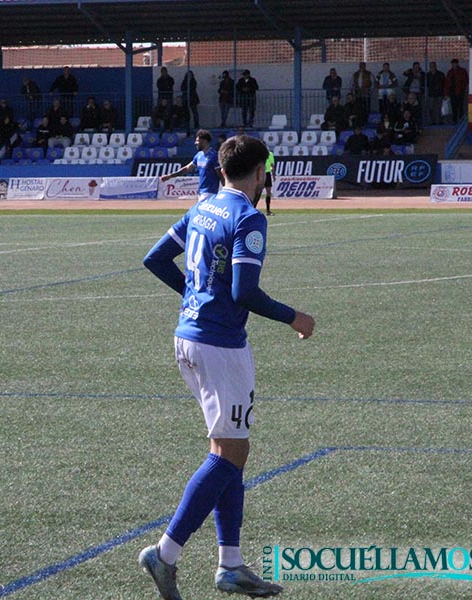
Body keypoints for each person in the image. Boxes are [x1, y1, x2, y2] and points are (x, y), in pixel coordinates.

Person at [140, 134, 314, 600]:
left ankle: (231, 564)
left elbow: (156, 258)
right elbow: (243, 292)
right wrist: (294, 317)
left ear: (220, 171)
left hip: (189, 338)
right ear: (260, 173)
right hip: (219, 347)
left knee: (230, 447)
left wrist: (195, 296)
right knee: (229, 453)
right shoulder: (248, 217)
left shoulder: (204, 207)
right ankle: (165, 553)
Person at [160, 129, 221, 201]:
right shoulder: (198, 156)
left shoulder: (214, 156)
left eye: (197, 141)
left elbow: (220, 174)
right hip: (201, 193)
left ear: (204, 141)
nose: (195, 143)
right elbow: (187, 169)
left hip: (210, 193)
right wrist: (170, 176)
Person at [444, 59, 469, 123]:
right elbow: (447, 83)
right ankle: (454, 120)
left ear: (457, 64)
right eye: (452, 64)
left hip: (460, 91)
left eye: (454, 64)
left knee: (460, 106)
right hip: (452, 92)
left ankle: (461, 119)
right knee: (453, 106)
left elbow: (465, 81)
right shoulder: (450, 72)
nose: (453, 65)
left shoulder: (462, 71)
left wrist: (463, 88)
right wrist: (446, 93)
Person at [259, 149, 274, 215]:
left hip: (267, 174)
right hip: (261, 174)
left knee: (268, 192)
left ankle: (268, 210)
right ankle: (253, 208)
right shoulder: (259, 153)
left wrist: (273, 174)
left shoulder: (270, 154)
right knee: (258, 192)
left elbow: (272, 165)